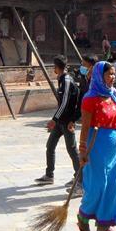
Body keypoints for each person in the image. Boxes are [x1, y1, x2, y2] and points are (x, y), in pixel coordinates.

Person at [77, 61, 116, 231]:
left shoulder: (113, 94)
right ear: (100, 76)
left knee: (114, 185)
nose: (113, 77)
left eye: (114, 74)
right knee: (98, 184)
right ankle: (83, 215)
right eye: (109, 74)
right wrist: (82, 150)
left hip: (113, 147)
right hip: (96, 145)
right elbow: (85, 127)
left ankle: (104, 224)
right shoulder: (89, 98)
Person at [35, 55, 81, 189]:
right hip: (60, 122)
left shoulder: (67, 80)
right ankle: (49, 175)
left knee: (72, 150)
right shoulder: (61, 79)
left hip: (67, 122)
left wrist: (54, 119)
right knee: (50, 146)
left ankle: (79, 178)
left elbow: (65, 103)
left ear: (56, 67)